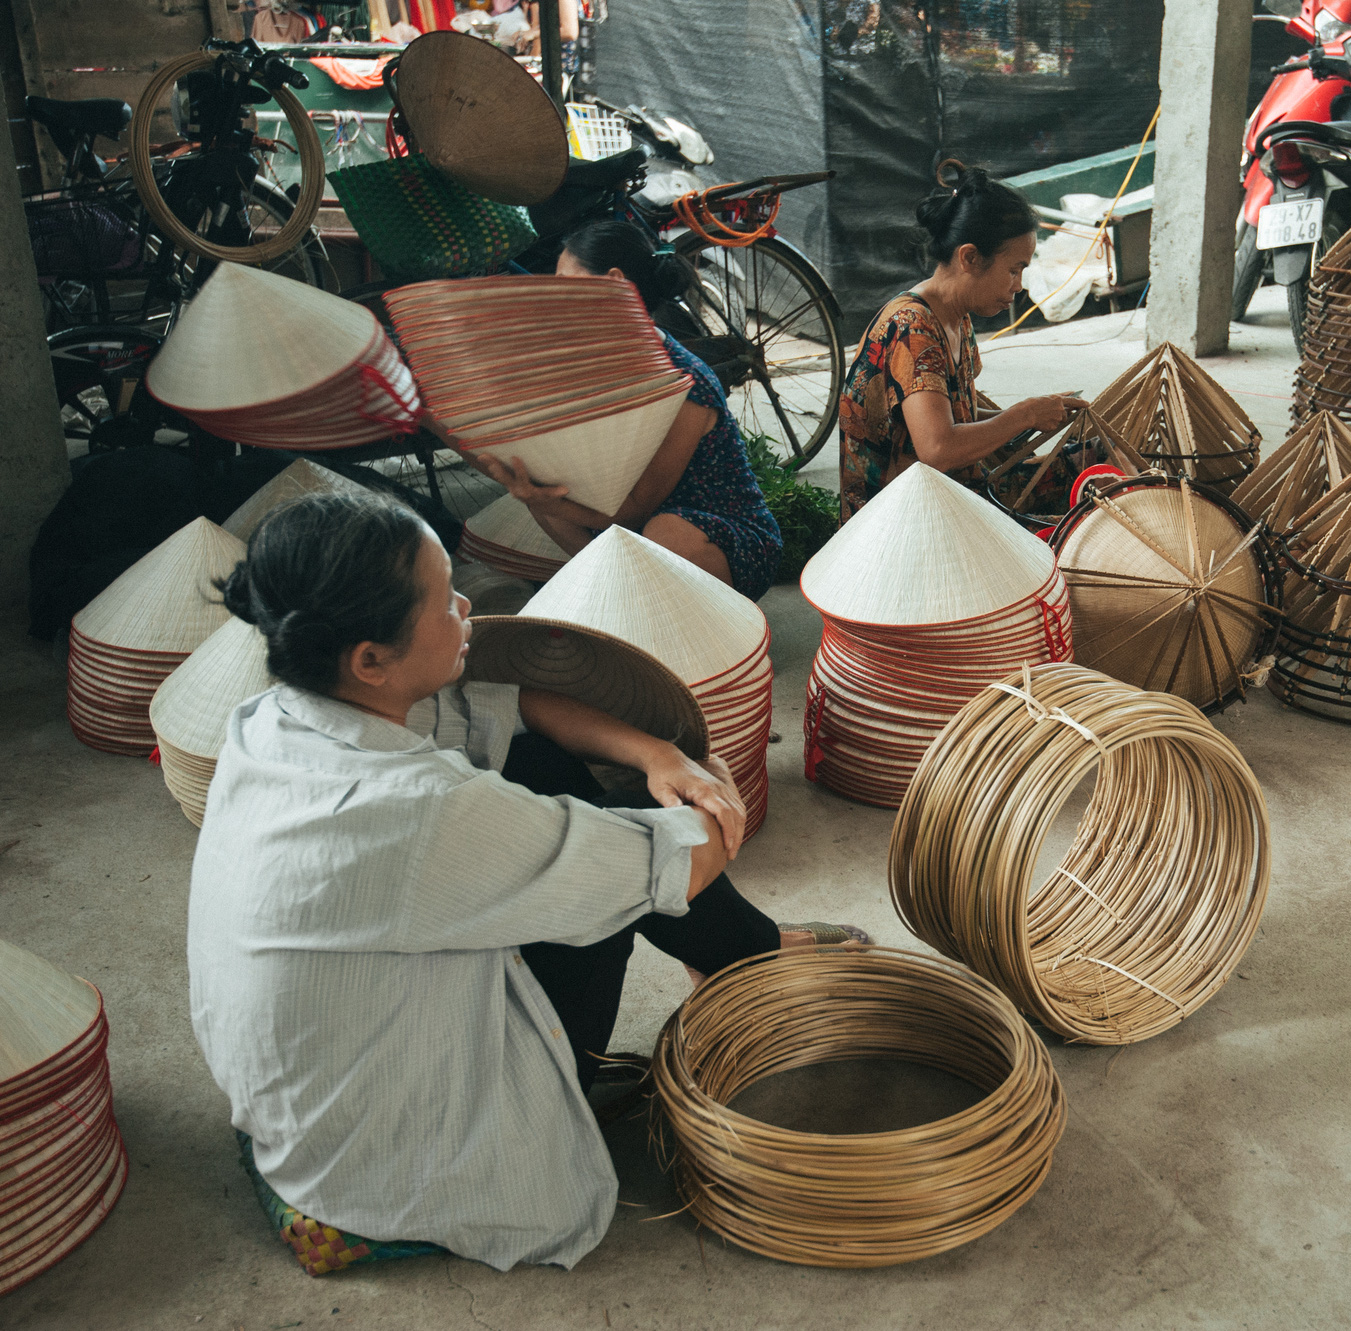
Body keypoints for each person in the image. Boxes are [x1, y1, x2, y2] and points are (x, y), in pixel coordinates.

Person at [188, 493, 863, 1271]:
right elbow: (675, 860)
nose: (466, 604)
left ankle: (743, 949)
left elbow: (506, 709)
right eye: (444, 601)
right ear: (369, 658)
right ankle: (745, 953)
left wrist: (658, 754)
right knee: (617, 875)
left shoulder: (275, 719)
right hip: (385, 1159)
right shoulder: (417, 813)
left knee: (545, 770)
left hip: (301, 1110)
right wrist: (718, 785)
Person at [471, 222, 782, 600]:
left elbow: (636, 510)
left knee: (662, 531)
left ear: (614, 282)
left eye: (565, 282)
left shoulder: (686, 383)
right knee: (541, 484)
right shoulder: (585, 365)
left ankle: (650, 596)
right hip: (631, 527)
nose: (554, 296)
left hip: (717, 537)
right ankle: (623, 589)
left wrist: (548, 501)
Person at [836, 158, 1079, 519]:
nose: (1018, 286)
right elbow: (938, 447)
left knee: (1088, 460)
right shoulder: (912, 329)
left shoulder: (957, 318)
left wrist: (1031, 417)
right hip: (904, 523)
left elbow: (952, 417)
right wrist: (1023, 414)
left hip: (951, 496)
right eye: (1014, 270)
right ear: (969, 257)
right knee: (1072, 530)